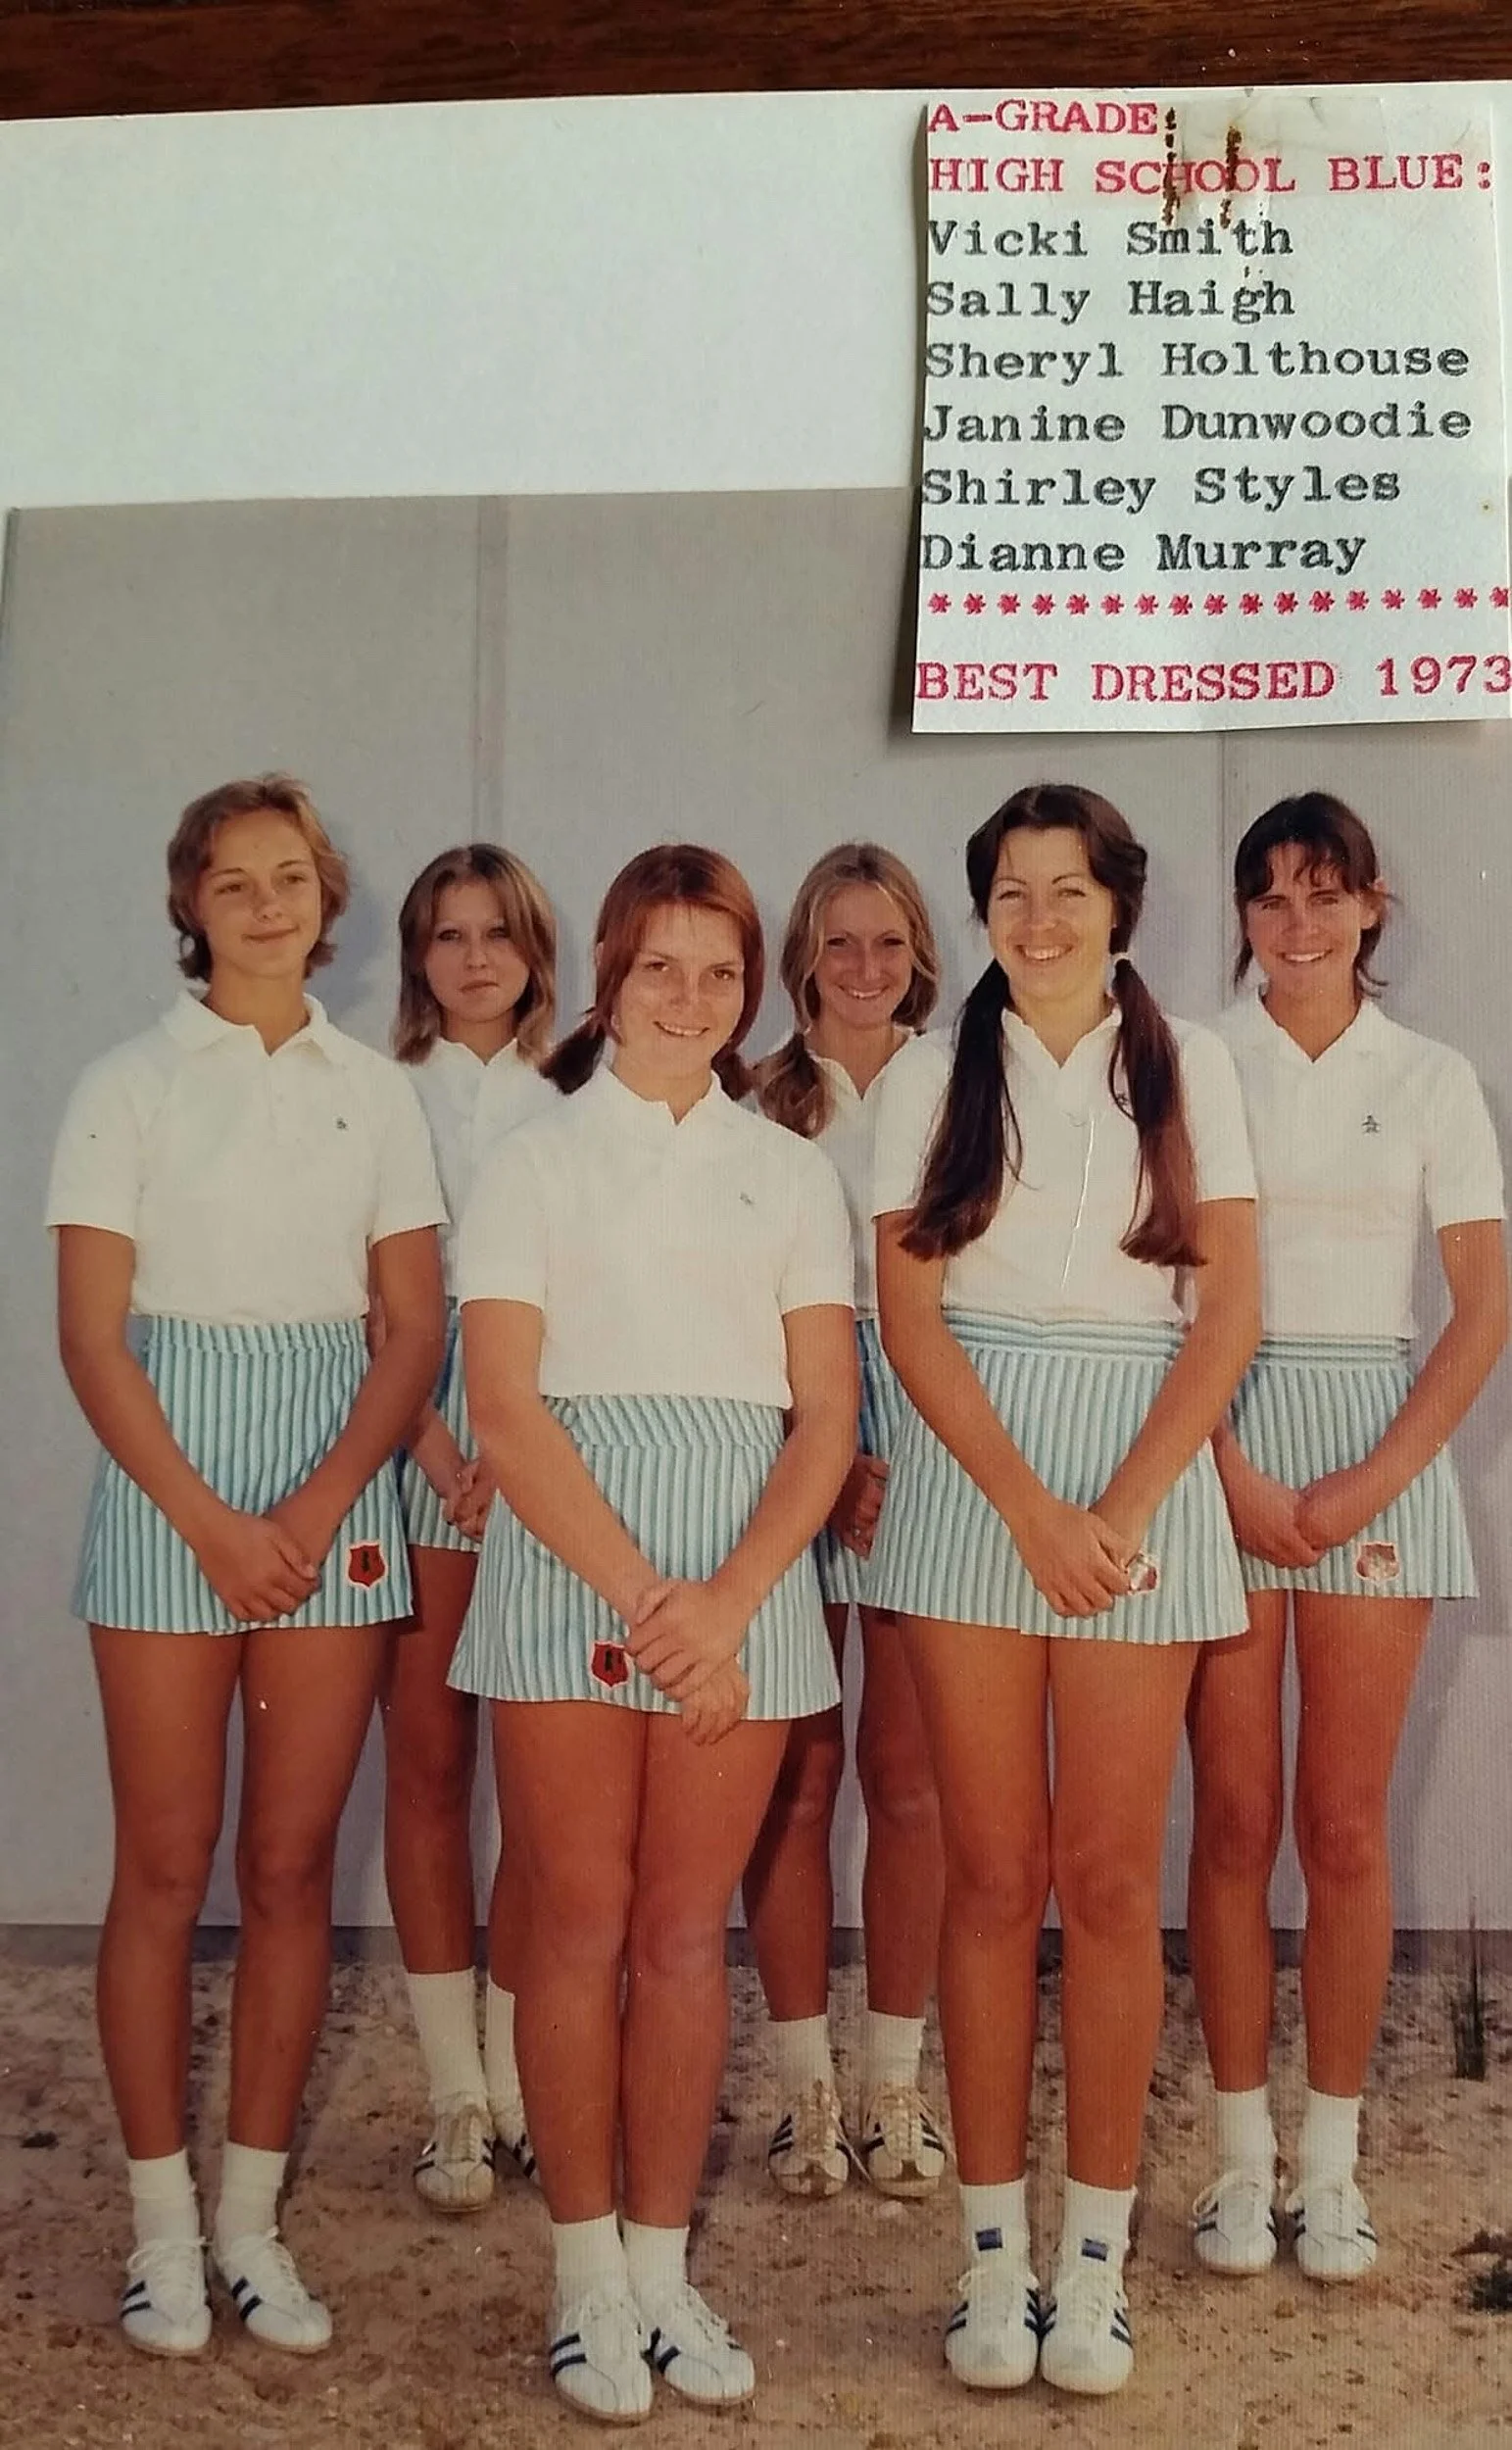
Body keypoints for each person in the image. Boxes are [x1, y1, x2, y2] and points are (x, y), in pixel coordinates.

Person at [446, 843, 856, 2424]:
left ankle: (663, 2268)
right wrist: (642, 1599)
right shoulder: (531, 1161)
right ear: (609, 979)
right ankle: (583, 2282)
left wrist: (730, 1598)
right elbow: (502, 1406)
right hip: (574, 1566)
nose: (688, 999)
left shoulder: (790, 1173)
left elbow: (823, 1420)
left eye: (718, 971)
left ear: (750, 988)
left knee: (688, 1935)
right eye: (658, 967)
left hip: (741, 1576)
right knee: (575, 1921)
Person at [46, 775, 446, 2358]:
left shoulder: (379, 1092)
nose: (267, 905)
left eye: (291, 878)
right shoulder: (123, 1083)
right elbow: (93, 1340)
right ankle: (161, 2232)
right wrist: (214, 1523)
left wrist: (324, 1501)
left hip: (333, 1487)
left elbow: (408, 1330)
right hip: (171, 1490)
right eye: (234, 882)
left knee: (290, 1869)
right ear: (190, 904)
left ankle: (250, 2227)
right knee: (163, 1865)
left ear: (327, 899)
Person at [868, 782, 1259, 2397]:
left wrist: (1117, 1507)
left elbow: (1224, 1316)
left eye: (1068, 891)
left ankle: (1089, 2269)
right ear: (982, 914)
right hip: (976, 1486)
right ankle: (988, 2261)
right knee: (988, 1876)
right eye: (1011, 894)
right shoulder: (923, 1074)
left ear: (1119, 906)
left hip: (1136, 1488)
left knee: (1104, 1883)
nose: (1038, 921)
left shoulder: (1193, 1065)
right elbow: (908, 1322)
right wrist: (1028, 1509)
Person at [1187, 792, 1506, 2284]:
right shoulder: (1192, 1062)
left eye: (1324, 894)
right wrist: (1227, 1468)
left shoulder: (1432, 1078)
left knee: (1344, 1825)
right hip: (1221, 1448)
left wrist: (1369, 1484)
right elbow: (1162, 1293)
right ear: (1243, 917)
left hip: (1376, 1456)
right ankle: (1236, 2164)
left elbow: (1479, 1313)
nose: (1297, 924)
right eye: (1270, 898)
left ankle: (1330, 2167)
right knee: (1234, 1820)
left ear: (1372, 906)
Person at [742, 843, 948, 2202]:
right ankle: (804, 2090)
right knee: (797, 1779)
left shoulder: (964, 1086)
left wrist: (903, 1442)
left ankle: (895, 2085)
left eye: (887, 942)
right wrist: (818, 1454)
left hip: (930, 1429)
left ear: (918, 953)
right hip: (789, 1426)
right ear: (802, 960)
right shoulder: (754, 1100)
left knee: (909, 1778)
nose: (864, 969)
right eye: (837, 944)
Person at [382, 844, 558, 2212]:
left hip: (549, 1451)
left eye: (498, 932)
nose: (477, 957)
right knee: (433, 1765)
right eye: (450, 936)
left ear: (535, 950)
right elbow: (363, 1292)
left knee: (547, 1792)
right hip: (421, 1447)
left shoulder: (578, 1098)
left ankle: (524, 2075)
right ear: (418, 958)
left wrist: (518, 1455)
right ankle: (453, 2093)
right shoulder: (378, 1095)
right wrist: (444, 1452)